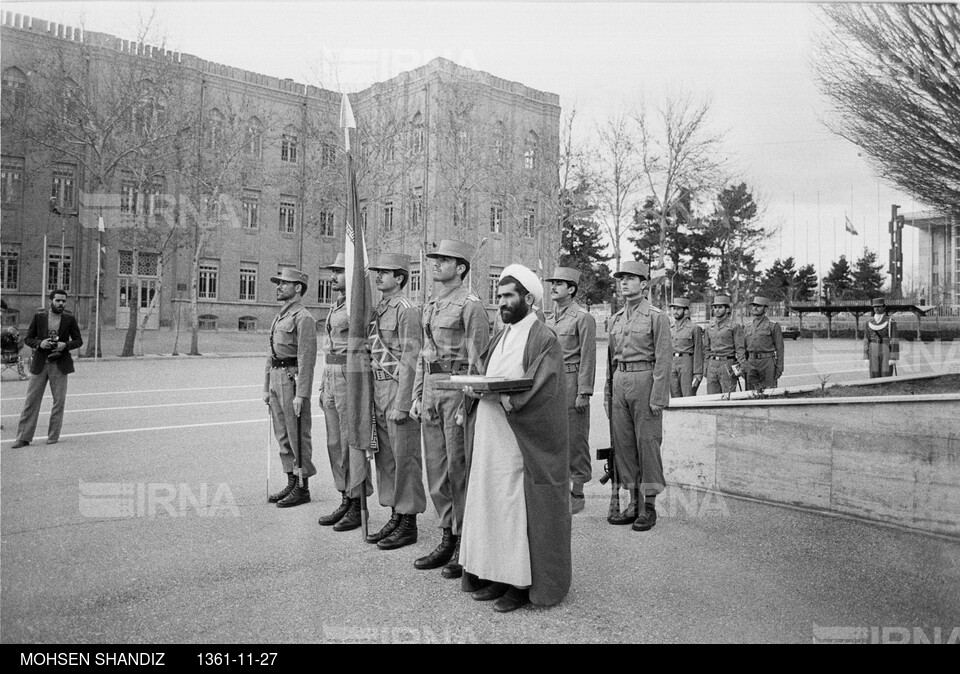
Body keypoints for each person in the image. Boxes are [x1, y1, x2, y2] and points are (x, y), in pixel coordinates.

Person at [459, 264, 571, 613]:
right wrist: (473, 390)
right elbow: (487, 375)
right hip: (491, 432)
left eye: (509, 296)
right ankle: (493, 574)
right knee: (490, 503)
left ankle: (518, 583)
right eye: (500, 296)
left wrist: (507, 400)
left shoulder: (543, 337)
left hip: (519, 437)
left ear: (528, 298)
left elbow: (545, 389)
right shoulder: (502, 334)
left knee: (512, 507)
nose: (502, 302)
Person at [410, 239, 490, 579]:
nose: (436, 264)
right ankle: (446, 534)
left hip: (457, 391)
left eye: (444, 260)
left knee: (459, 467)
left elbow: (479, 362)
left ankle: (464, 540)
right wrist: (417, 394)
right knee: (437, 468)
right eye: (435, 259)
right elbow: (423, 354)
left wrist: (468, 402)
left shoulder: (471, 306)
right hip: (432, 390)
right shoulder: (431, 304)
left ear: (461, 267)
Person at [365, 253, 427, 550]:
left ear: (400, 278)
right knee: (386, 457)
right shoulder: (378, 309)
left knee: (406, 457)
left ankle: (408, 521)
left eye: (385, 273)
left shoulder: (407, 310)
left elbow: (411, 358)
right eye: (377, 272)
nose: (378, 276)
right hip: (378, 389)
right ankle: (394, 513)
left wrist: (404, 402)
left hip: (396, 389)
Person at [604, 262, 672, 530]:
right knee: (624, 446)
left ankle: (650, 505)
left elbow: (664, 359)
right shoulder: (616, 318)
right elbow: (610, 360)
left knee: (647, 443)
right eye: (621, 279)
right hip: (620, 381)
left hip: (645, 380)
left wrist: (658, 396)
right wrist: (608, 393)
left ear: (644, 284)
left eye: (630, 278)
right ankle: (633, 503)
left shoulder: (656, 317)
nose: (624, 283)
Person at [317, 253, 368, 530]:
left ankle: (357, 499)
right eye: (333, 271)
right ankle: (344, 496)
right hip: (332, 374)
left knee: (351, 440)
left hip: (349, 376)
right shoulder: (337, 304)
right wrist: (323, 384)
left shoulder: (356, 306)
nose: (333, 276)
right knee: (334, 442)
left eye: (339, 271)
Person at [264, 269, 318, 508]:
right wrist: (266, 387)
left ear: (298, 287)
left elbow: (307, 358)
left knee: (297, 434)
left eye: (284, 283)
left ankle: (302, 486)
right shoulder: (280, 316)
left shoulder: (303, 317)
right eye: (279, 283)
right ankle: (291, 480)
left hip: (291, 379)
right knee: (282, 434)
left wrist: (302, 394)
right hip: (276, 378)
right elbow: (271, 353)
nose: (279, 287)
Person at [544, 266, 596, 514]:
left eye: (559, 284)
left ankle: (578, 493)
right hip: (552, 382)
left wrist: (584, 391)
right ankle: (560, 489)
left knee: (575, 439)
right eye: (552, 283)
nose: (553, 287)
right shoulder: (549, 318)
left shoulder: (583, 318)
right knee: (555, 437)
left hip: (573, 380)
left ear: (571, 289)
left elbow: (588, 356)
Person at [12, 289, 83, 448]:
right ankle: (23, 437)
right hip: (40, 363)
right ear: (51, 301)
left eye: (63, 301)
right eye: (58, 300)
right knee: (31, 400)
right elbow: (28, 339)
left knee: (59, 401)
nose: (61, 304)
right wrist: (39, 343)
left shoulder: (69, 319)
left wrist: (65, 345)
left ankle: (53, 436)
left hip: (60, 364)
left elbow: (78, 341)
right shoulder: (39, 317)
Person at [702, 295, 746, 394]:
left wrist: (742, 367)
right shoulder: (710, 326)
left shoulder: (734, 326)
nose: (717, 310)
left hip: (727, 364)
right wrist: (705, 367)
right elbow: (706, 349)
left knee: (728, 396)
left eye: (720, 307)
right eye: (715, 307)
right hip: (712, 364)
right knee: (711, 397)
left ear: (727, 309)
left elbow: (740, 349)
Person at [743, 296, 784, 390]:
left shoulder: (773, 326)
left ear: (765, 309)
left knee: (769, 392)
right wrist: (744, 365)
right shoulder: (747, 326)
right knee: (750, 393)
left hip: (767, 362)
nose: (755, 308)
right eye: (753, 306)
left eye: (758, 306)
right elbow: (744, 348)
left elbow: (780, 349)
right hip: (751, 362)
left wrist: (779, 367)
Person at [668, 297, 703, 397]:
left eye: (678, 309)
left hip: (687, 363)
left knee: (688, 395)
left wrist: (697, 372)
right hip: (672, 363)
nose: (675, 311)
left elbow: (698, 351)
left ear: (686, 311)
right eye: (674, 309)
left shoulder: (694, 328)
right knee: (674, 395)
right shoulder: (671, 328)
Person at [864, 297, 899, 378]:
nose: (877, 308)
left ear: (884, 307)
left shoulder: (891, 321)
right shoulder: (868, 322)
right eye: (875, 307)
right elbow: (866, 339)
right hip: (873, 348)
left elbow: (895, 340)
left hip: (886, 347)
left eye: (879, 306)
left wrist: (893, 357)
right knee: (874, 372)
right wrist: (866, 356)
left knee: (886, 372)